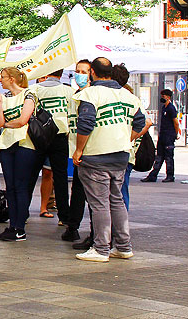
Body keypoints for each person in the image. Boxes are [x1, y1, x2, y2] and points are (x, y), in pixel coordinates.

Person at [72, 57, 146, 262]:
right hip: (121, 155)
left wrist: (79, 150)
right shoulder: (128, 95)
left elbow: (85, 124)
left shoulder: (90, 93)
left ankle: (101, 248)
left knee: (99, 204)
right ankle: (123, 245)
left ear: (92, 73)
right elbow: (140, 122)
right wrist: (124, 138)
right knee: (117, 200)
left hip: (96, 156)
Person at [0, 67, 38, 242]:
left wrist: (6, 124)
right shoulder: (5, 98)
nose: (1, 80)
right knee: (10, 187)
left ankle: (20, 227)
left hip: (25, 144)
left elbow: (23, 120)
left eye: (3, 77)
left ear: (11, 79)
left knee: (20, 186)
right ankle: (13, 225)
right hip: (6, 144)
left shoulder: (29, 93)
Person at [32, 69, 74, 232]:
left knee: (31, 175)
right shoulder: (69, 91)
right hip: (60, 136)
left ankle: (23, 215)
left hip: (38, 136)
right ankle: (64, 216)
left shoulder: (35, 90)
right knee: (61, 177)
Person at [112, 63, 152, 209]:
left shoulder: (110, 96)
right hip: (126, 154)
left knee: (113, 193)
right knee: (121, 191)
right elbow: (146, 122)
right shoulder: (132, 99)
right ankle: (120, 227)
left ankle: (114, 227)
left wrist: (126, 139)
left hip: (112, 151)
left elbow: (147, 123)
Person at [68, 59, 94, 249]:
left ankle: (96, 233)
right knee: (77, 191)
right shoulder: (75, 94)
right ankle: (73, 227)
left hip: (90, 151)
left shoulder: (91, 95)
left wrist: (80, 149)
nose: (80, 74)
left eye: (84, 71)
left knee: (94, 195)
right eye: (77, 71)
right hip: (77, 152)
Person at [142, 88, 180, 184]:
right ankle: (153, 175)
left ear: (168, 97)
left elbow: (176, 123)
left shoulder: (171, 108)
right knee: (159, 156)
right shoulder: (164, 108)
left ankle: (170, 176)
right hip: (162, 135)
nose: (161, 98)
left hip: (169, 136)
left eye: (163, 96)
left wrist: (175, 134)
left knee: (168, 157)